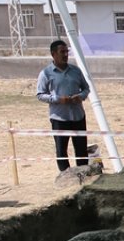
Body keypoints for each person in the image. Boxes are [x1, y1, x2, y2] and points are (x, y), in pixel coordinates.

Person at [36, 39, 91, 173]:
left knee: (81, 149)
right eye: (62, 52)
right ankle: (66, 177)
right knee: (61, 150)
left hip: (78, 116)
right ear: (53, 54)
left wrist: (81, 96)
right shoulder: (46, 73)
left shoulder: (76, 71)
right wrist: (58, 99)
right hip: (59, 119)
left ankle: (83, 174)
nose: (65, 54)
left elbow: (86, 88)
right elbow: (40, 94)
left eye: (67, 51)